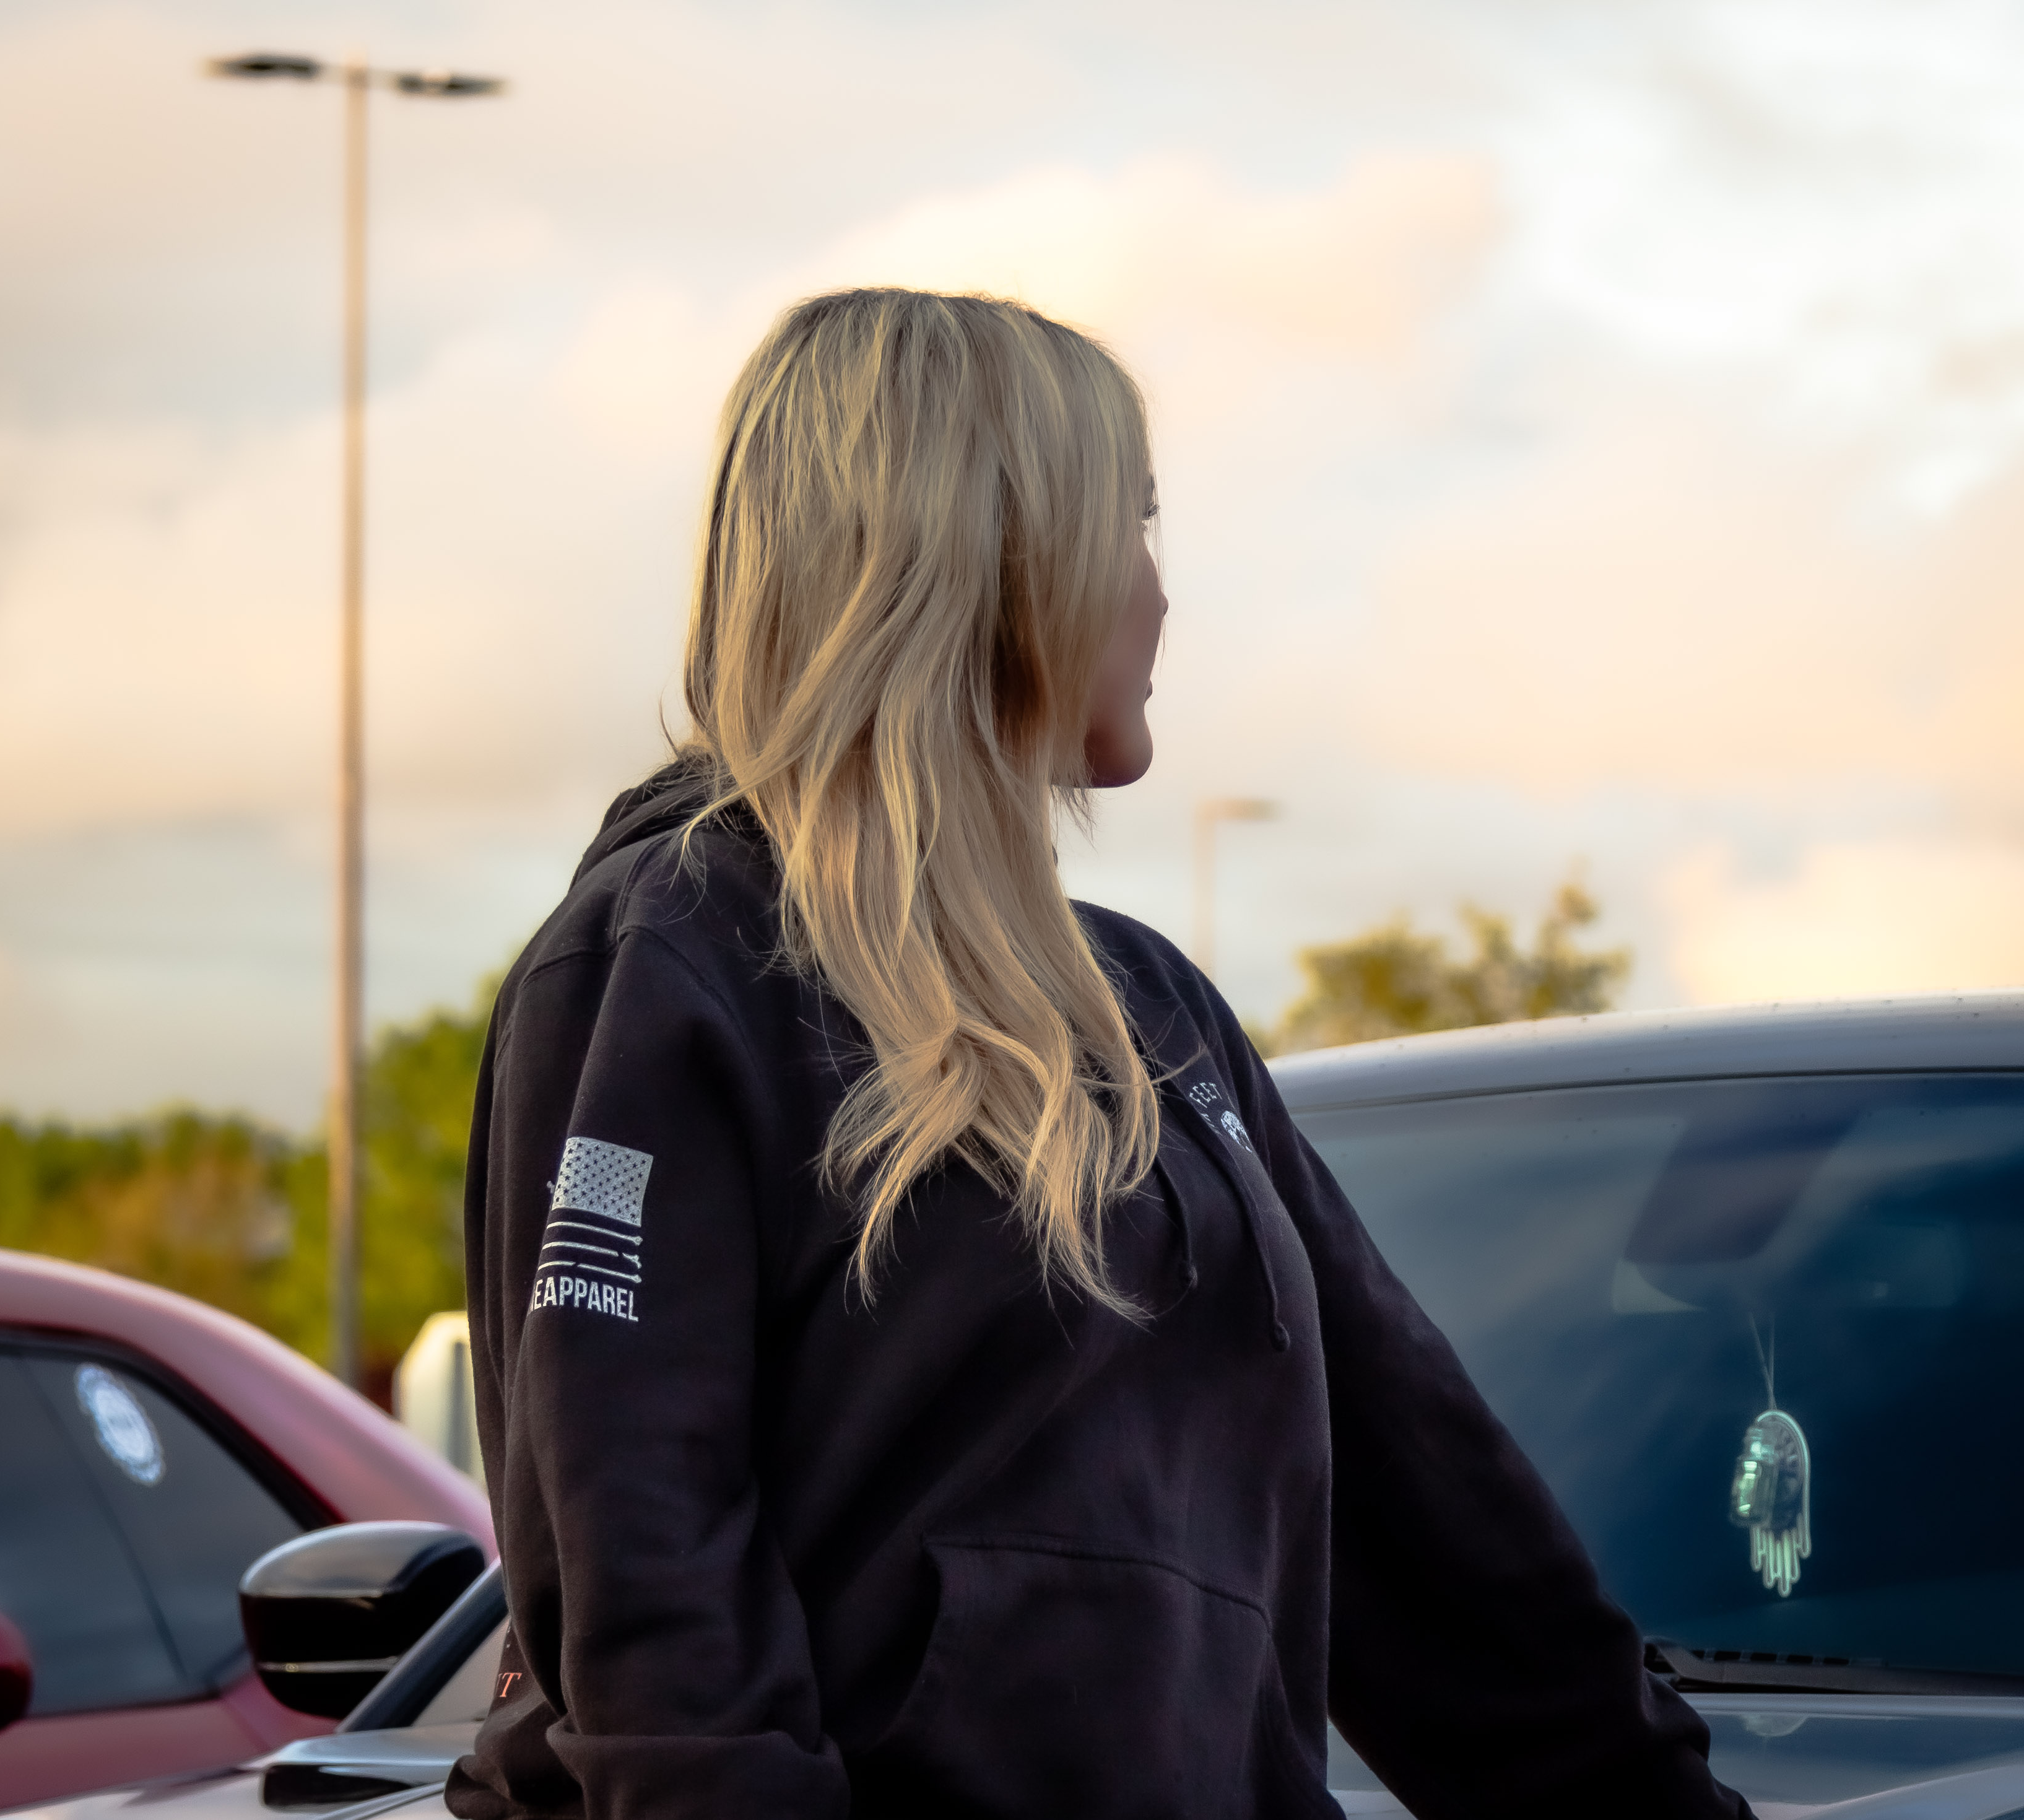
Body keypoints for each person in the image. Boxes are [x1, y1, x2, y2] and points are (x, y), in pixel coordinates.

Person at [445, 289, 1750, 1820]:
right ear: (995, 553)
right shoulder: (669, 959)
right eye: (1128, 524)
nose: (1158, 592)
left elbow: (1437, 1522)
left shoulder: (1155, 1012)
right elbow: (642, 1561)